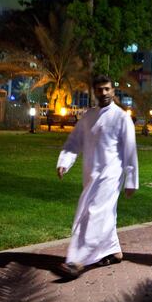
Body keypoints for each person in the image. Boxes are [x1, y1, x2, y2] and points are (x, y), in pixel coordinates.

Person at [56, 75, 139, 279]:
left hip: (111, 175)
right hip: (91, 174)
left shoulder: (121, 118)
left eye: (107, 89)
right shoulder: (88, 116)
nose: (103, 93)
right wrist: (64, 161)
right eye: (99, 89)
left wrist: (131, 180)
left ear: (113, 91)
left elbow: (130, 151)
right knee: (103, 214)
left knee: (93, 213)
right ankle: (114, 251)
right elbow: (74, 141)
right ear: (94, 92)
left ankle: (77, 260)